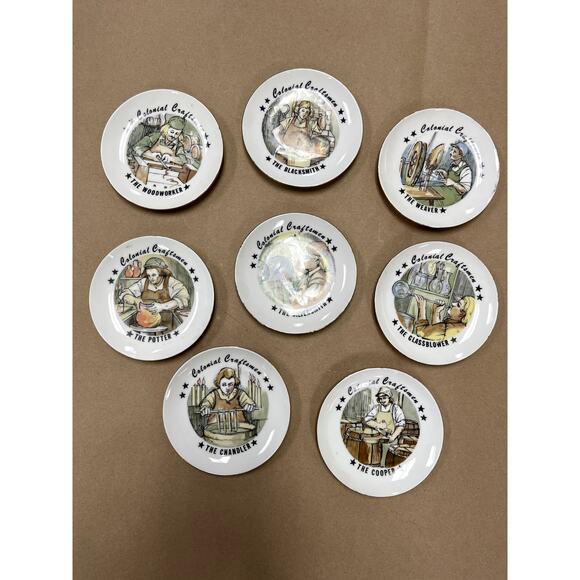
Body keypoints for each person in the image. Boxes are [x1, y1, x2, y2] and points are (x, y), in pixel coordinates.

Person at [119, 257, 189, 315]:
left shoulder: (171, 282)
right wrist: (135, 300)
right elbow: (125, 293)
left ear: (161, 273)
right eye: (148, 275)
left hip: (167, 319)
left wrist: (162, 306)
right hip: (145, 319)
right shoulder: (143, 282)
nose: (151, 278)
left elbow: (183, 297)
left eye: (154, 275)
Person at [273, 100, 330, 167]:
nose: (304, 113)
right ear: (298, 110)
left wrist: (323, 116)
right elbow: (277, 131)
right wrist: (283, 144)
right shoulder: (289, 120)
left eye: (307, 112)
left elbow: (321, 128)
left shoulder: (310, 123)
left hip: (300, 155)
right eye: (303, 110)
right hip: (286, 152)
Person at [131, 116, 197, 167]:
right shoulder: (155, 136)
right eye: (172, 132)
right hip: (146, 166)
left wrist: (171, 158)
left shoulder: (179, 145)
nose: (173, 135)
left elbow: (183, 160)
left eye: (177, 133)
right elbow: (137, 146)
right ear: (166, 129)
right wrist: (151, 155)